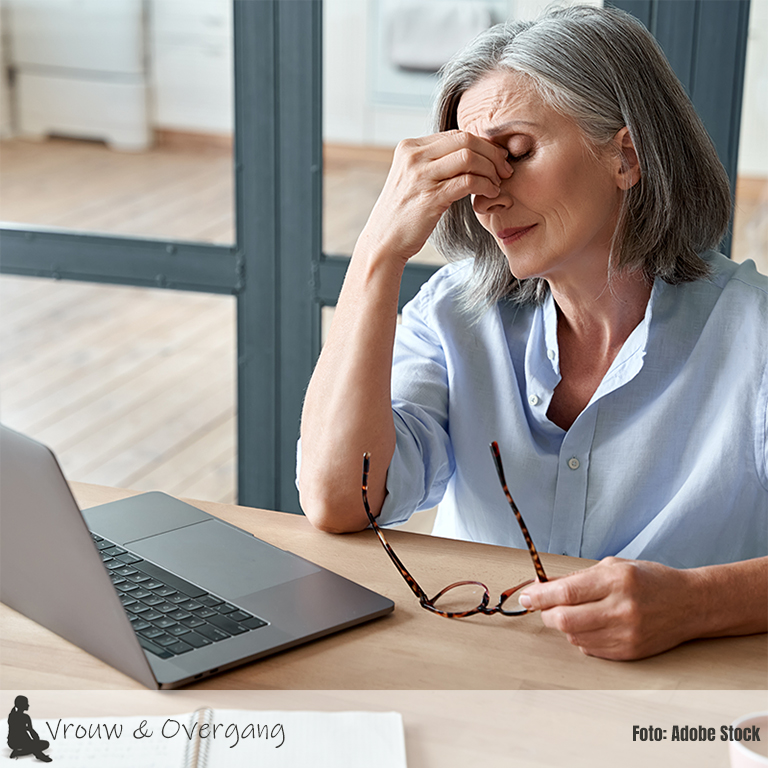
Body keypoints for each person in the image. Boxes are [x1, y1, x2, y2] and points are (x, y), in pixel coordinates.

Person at [298, 5, 767, 660]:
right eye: (475, 167)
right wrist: (378, 251)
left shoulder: (754, 339)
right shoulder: (454, 315)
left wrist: (698, 602)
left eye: (515, 154)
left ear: (626, 157)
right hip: (481, 690)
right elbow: (340, 500)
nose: (486, 195)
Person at [7, 695, 53, 762]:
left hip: (13, 742)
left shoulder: (13, 715)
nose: (28, 705)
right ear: (22, 705)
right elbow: (24, 734)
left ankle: (19, 752)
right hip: (16, 742)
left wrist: (34, 739)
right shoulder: (22, 717)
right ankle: (38, 755)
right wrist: (34, 741)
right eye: (26, 703)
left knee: (45, 744)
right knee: (35, 746)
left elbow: (31, 732)